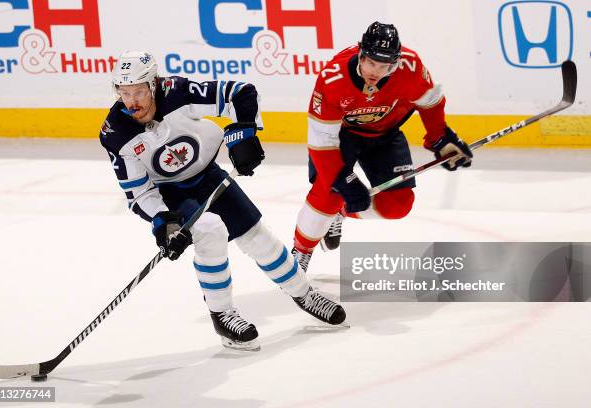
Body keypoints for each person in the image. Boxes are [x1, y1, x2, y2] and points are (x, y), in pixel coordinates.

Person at [99, 50, 346, 351]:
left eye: (138, 91)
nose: (132, 101)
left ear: (154, 84)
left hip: (209, 175)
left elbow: (239, 93)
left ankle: (304, 293)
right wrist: (163, 221)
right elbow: (139, 193)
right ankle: (222, 314)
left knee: (259, 238)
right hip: (171, 194)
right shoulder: (116, 132)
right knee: (211, 231)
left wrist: (244, 133)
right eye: (124, 93)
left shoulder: (178, 93)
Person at [292, 22, 473, 272]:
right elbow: (322, 142)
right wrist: (342, 179)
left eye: (386, 65)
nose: (376, 71)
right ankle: (299, 253)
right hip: (342, 137)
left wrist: (439, 138)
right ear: (361, 54)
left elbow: (430, 101)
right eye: (372, 63)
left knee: (398, 205)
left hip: (384, 135)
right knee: (329, 190)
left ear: (396, 62)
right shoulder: (332, 78)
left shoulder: (409, 67)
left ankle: (341, 211)